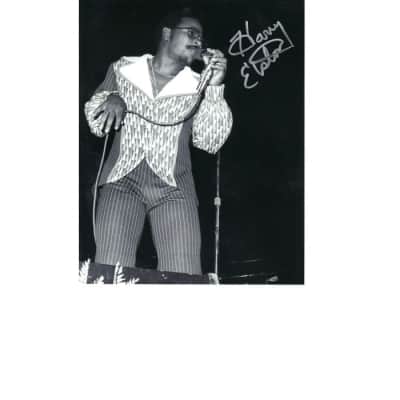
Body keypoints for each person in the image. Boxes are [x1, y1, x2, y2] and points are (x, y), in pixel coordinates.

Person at [84, 8, 233, 275]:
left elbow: (209, 142)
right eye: (191, 33)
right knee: (111, 272)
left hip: (174, 188)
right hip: (121, 182)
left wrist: (215, 88)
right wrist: (112, 98)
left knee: (183, 276)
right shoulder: (124, 68)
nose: (199, 40)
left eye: (201, 37)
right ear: (167, 33)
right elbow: (95, 123)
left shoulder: (198, 86)